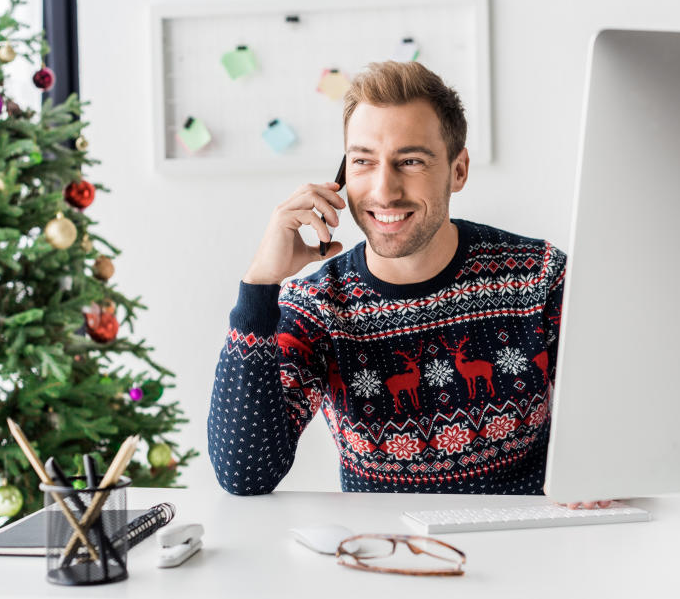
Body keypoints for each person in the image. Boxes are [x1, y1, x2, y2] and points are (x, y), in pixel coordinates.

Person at [208, 60, 606, 507]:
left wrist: (598, 469)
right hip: (385, 557)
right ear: (341, 177)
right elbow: (244, 473)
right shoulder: (319, 306)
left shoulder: (539, 276)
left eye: (410, 160)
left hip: (529, 547)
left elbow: (615, 412)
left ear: (458, 170)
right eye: (363, 161)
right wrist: (260, 285)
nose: (384, 189)